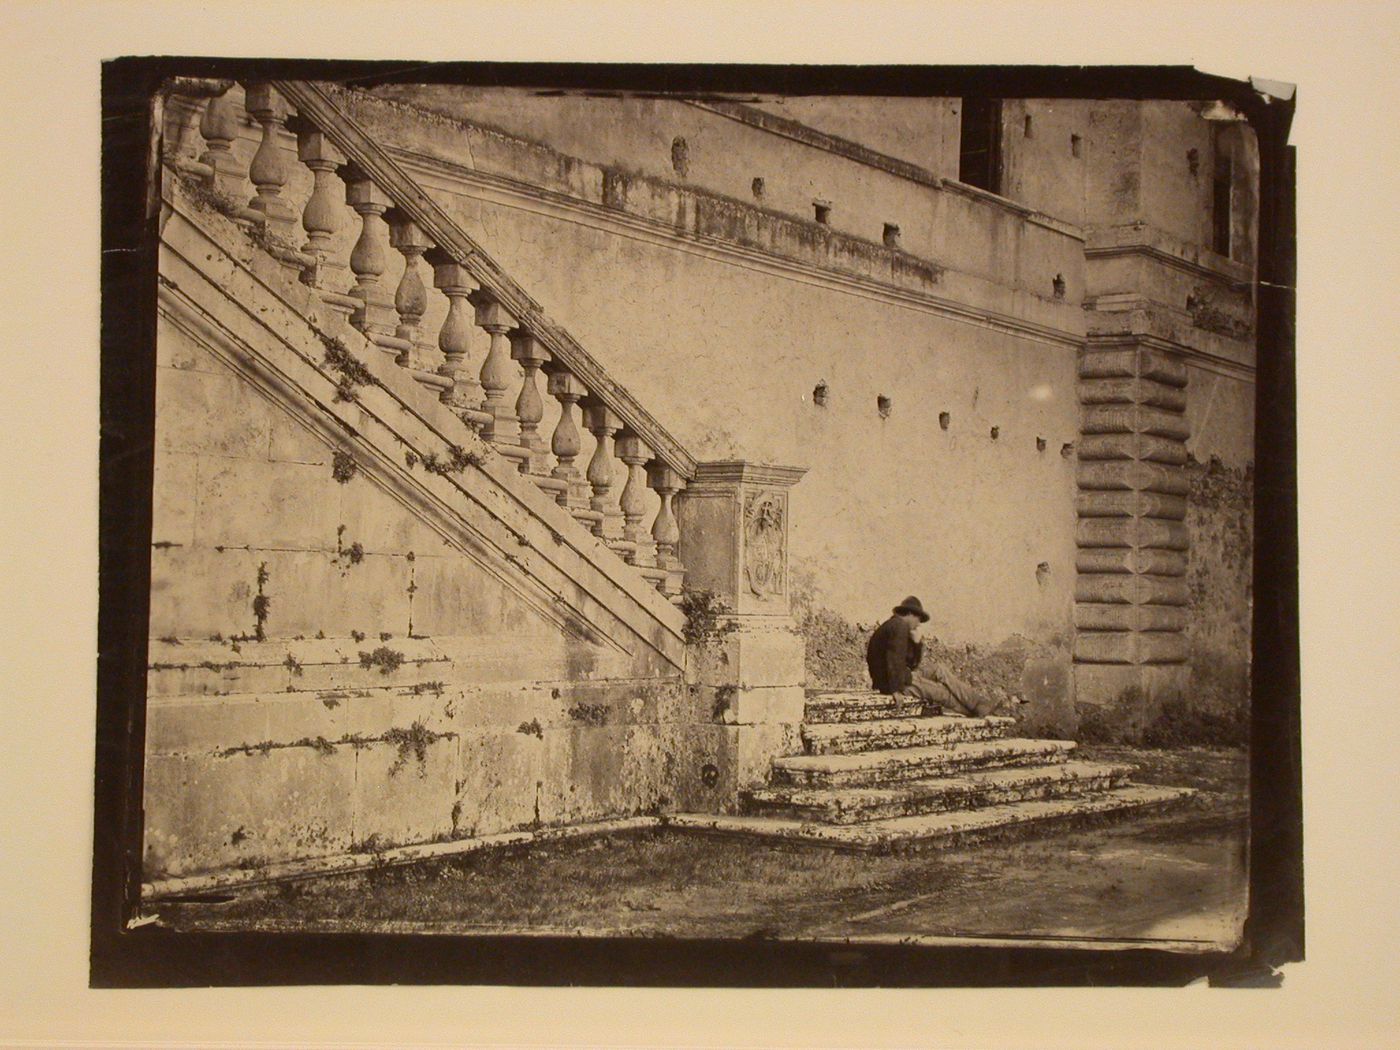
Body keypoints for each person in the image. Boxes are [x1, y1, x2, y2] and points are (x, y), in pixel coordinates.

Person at [865, 596, 1023, 718]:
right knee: (941, 693)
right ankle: (975, 712)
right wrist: (896, 691)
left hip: (899, 678)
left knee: (939, 669)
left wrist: (916, 643)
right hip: (894, 683)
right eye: (918, 619)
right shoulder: (899, 626)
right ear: (910, 614)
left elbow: (912, 664)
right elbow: (895, 658)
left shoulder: (895, 626)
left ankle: (978, 704)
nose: (919, 624)